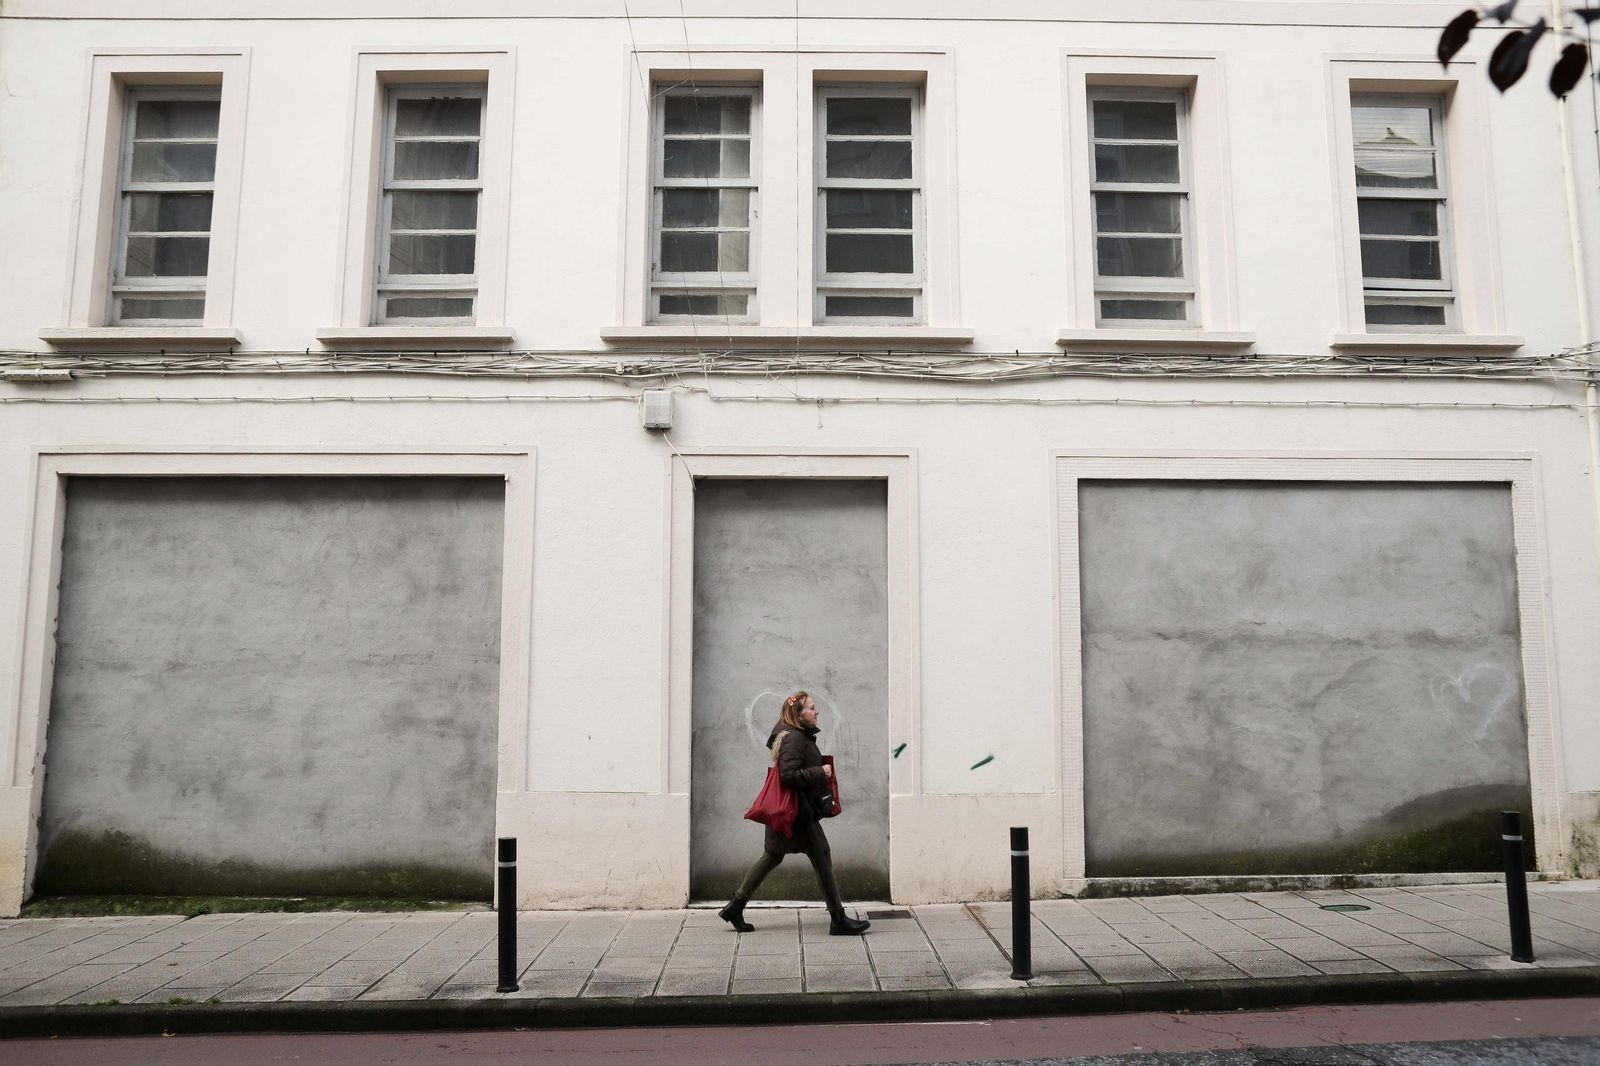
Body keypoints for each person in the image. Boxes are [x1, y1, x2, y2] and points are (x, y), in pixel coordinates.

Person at [718, 691, 871, 936]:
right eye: (811, 708)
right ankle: (838, 918)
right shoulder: (795, 739)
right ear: (797, 715)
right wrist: (820, 772)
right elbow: (787, 775)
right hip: (797, 814)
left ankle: (735, 906)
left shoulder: (795, 735)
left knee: (772, 856)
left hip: (788, 811)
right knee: (821, 856)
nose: (817, 711)